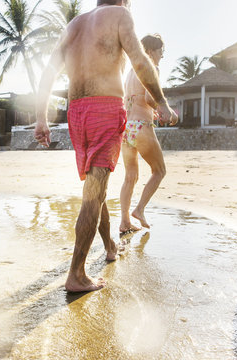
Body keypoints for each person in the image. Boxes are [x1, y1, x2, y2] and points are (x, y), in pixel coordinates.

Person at [35, 0, 178, 292]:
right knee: (94, 192)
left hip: (76, 112)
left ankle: (110, 245)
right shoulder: (120, 14)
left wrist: (41, 118)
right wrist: (162, 102)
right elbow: (140, 61)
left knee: (94, 186)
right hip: (104, 110)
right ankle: (76, 274)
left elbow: (48, 72)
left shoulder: (74, 24)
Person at [119, 34, 172, 234]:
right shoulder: (152, 68)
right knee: (159, 171)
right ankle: (139, 209)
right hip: (142, 126)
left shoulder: (131, 71)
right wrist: (167, 111)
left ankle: (124, 222)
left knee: (130, 176)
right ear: (150, 51)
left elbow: (133, 98)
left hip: (127, 129)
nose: (162, 56)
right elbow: (150, 97)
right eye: (161, 52)